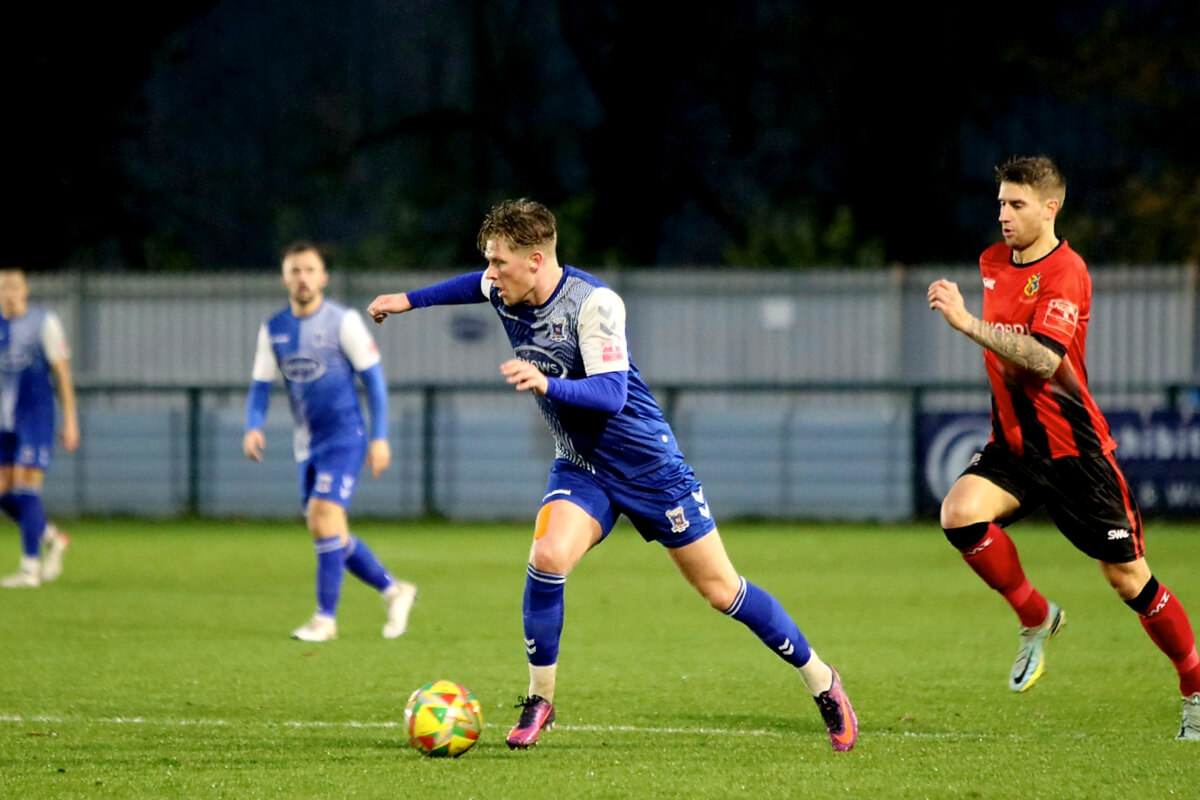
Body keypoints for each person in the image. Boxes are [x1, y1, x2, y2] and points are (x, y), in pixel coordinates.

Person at [367, 198, 858, 752]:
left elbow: (609, 393)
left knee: (723, 591)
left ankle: (823, 681)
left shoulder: (594, 303)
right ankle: (540, 699)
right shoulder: (505, 287)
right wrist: (406, 301)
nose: (490, 274)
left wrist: (544, 382)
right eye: (488, 262)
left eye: (498, 263)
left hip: (651, 470)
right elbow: (464, 286)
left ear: (534, 260)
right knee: (547, 557)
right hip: (583, 468)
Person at [928, 155, 1200, 740]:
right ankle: (1036, 616)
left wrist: (968, 324)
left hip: (1076, 454)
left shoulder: (1067, 272)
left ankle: (1195, 687)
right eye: (1000, 202)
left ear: (1051, 207)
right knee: (959, 513)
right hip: (1014, 448)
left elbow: (1046, 360)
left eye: (1017, 204)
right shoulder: (992, 262)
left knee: (1130, 582)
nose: (1003, 214)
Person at [243, 241, 416, 642]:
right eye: (294, 271)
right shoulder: (274, 329)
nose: (302, 278)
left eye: (309, 270)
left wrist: (380, 438)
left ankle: (325, 618)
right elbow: (260, 386)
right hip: (307, 445)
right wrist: (254, 425)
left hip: (345, 438)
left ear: (323, 277)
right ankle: (394, 590)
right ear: (285, 278)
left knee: (323, 517)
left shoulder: (343, 322)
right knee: (329, 531)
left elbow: (374, 382)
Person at [0, 269, 76, 588]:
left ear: (25, 290)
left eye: (14, 287)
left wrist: (71, 419)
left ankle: (30, 569)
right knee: (4, 493)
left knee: (27, 488)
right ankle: (50, 536)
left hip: (35, 419)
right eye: (3, 287)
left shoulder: (43, 323)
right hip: (4, 421)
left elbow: (62, 373)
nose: (8, 293)